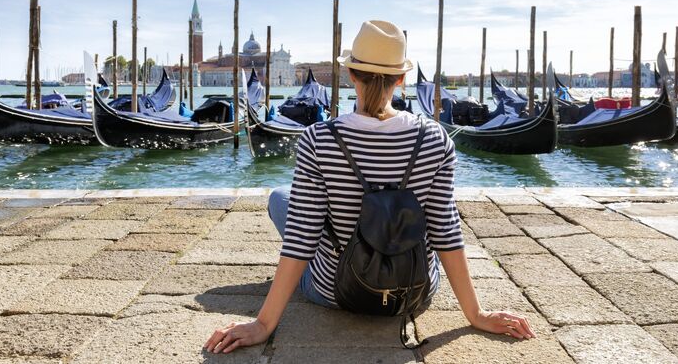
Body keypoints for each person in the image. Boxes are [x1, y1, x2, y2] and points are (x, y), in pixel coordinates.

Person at [205, 20, 535, 354]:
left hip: (337, 291)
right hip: (415, 290)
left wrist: (263, 324)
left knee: (280, 198)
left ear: (351, 74)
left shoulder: (318, 140)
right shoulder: (435, 138)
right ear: (401, 79)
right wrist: (476, 314)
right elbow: (445, 230)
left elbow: (302, 237)